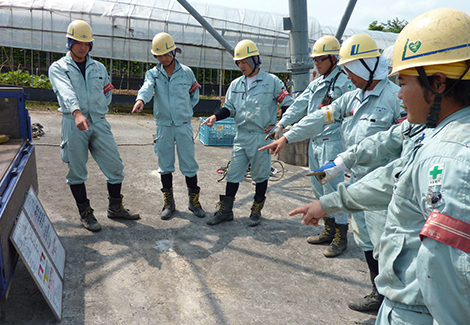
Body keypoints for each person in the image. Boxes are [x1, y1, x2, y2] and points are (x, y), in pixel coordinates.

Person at [290, 8, 470, 324]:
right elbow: (393, 170)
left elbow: (451, 275)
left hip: (417, 309)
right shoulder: (431, 127)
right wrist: (330, 197)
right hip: (408, 299)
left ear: (438, 83)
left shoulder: (448, 159)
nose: (400, 93)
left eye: (404, 81)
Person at [260, 34, 403, 311]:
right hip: (355, 182)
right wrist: (287, 137)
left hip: (384, 191)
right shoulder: (350, 99)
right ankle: (377, 294)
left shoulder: (394, 98)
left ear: (365, 66)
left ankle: (393, 301)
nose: (347, 75)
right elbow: (319, 116)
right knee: (364, 241)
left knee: (387, 246)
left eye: (351, 69)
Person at [49, 20, 139, 232]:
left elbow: (107, 91)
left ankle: (115, 207)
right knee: (77, 172)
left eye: (87, 43)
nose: (83, 47)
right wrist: (78, 112)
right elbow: (65, 91)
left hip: (99, 122)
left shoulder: (98, 67)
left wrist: (98, 109)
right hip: (74, 122)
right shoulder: (58, 68)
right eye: (78, 42)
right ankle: (86, 213)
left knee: (115, 167)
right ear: (69, 43)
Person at [269, 35, 354, 257]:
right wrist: (282, 124)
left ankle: (340, 236)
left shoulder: (345, 83)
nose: (316, 63)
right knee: (318, 189)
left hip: (333, 143)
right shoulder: (316, 83)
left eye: (321, 59)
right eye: (314, 59)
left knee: (334, 189)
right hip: (315, 143)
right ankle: (328, 229)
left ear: (334, 59)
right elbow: (299, 106)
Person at [201, 39, 293, 227]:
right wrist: (215, 117)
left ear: (254, 60)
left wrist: (279, 126)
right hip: (241, 135)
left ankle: (256, 210)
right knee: (234, 173)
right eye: (238, 62)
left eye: (244, 61)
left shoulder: (272, 82)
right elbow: (229, 108)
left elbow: (288, 104)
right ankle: (226, 210)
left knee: (261, 175)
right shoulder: (235, 84)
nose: (241, 65)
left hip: (262, 137)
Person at [132, 32, 205, 220]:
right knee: (165, 165)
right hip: (163, 125)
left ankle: (194, 202)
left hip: (183, 125)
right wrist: (141, 100)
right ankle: (169, 203)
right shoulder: (153, 74)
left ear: (173, 52)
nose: (163, 59)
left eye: (165, 54)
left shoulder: (187, 73)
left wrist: (185, 111)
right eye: (158, 55)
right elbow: (147, 87)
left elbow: (194, 95)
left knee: (189, 164)